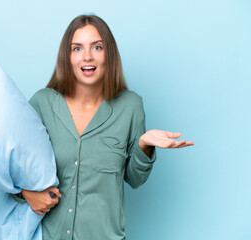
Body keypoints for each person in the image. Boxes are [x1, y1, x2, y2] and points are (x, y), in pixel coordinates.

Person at [19, 14, 194, 239]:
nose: (87, 57)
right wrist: (25, 193)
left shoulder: (130, 106)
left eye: (97, 47)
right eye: (77, 49)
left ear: (108, 54)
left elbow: (135, 179)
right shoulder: (42, 103)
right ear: (67, 56)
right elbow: (15, 165)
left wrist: (143, 145)